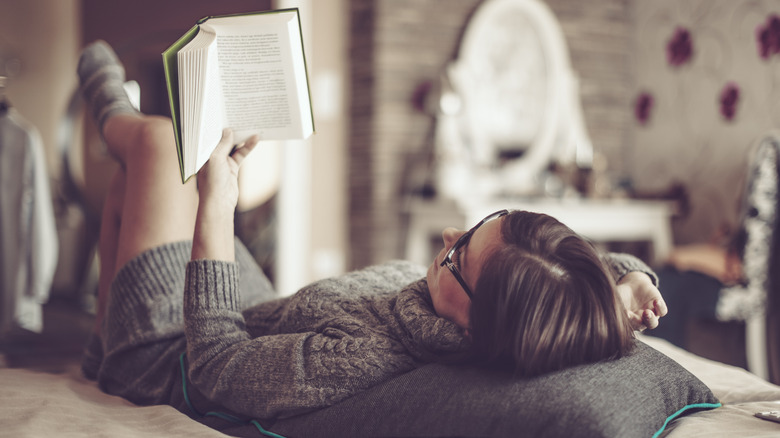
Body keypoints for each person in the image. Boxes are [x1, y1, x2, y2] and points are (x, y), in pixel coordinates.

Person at [78, 40, 667, 425]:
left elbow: (214, 367)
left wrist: (218, 204)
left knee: (159, 144)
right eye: (481, 225)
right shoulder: (478, 306)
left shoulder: (359, 358)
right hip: (253, 308)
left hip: (171, 354)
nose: (447, 234)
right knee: (146, 181)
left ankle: (105, 102)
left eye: (460, 253)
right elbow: (555, 279)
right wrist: (623, 275)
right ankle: (100, 341)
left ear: (478, 323)